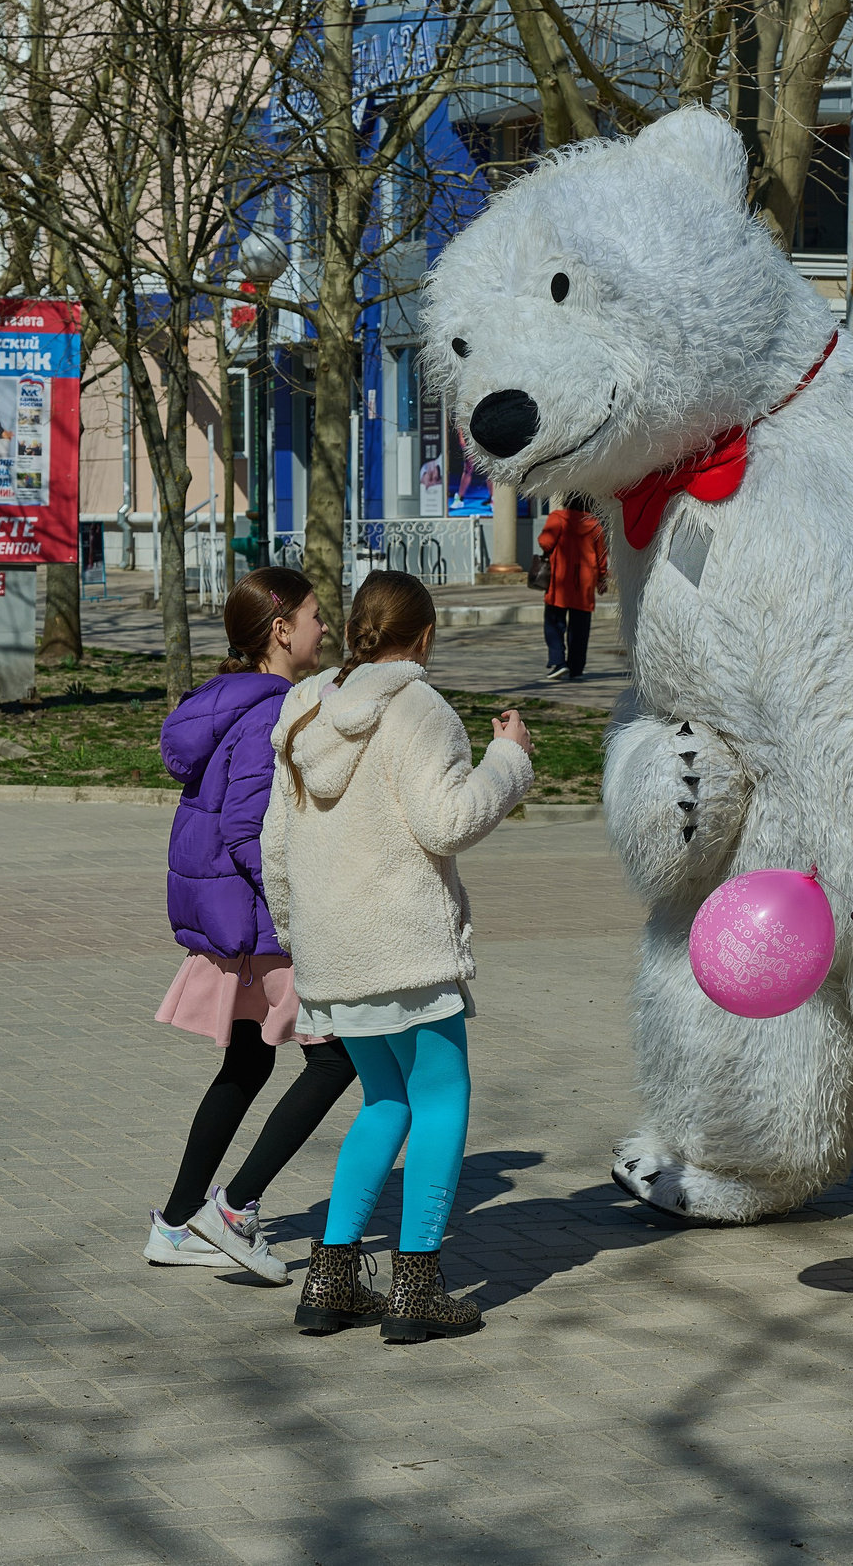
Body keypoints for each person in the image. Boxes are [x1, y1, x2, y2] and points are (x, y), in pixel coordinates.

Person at [264, 570, 534, 1343]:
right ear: (422, 639)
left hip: (334, 952)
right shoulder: (419, 707)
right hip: (405, 951)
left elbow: (273, 845)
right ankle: (417, 1286)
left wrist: (301, 936)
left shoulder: (304, 706)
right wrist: (507, 758)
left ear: (355, 630)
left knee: (385, 1101)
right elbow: (448, 819)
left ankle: (331, 1277)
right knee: (442, 1096)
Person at [146, 567, 359, 1283]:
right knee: (339, 1058)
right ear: (280, 631)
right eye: (314, 616)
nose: (323, 628)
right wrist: (303, 905)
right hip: (268, 922)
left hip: (238, 920)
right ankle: (233, 1210)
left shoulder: (224, 701)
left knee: (248, 1060)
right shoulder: (270, 709)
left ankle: (175, 1224)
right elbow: (245, 829)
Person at [535, 493, 608, 682]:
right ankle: (576, 669)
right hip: (584, 583)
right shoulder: (595, 525)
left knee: (554, 623)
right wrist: (602, 579)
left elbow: (545, 542)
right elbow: (602, 556)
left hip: (560, 580)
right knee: (580, 628)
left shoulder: (558, 518)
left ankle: (559, 663)